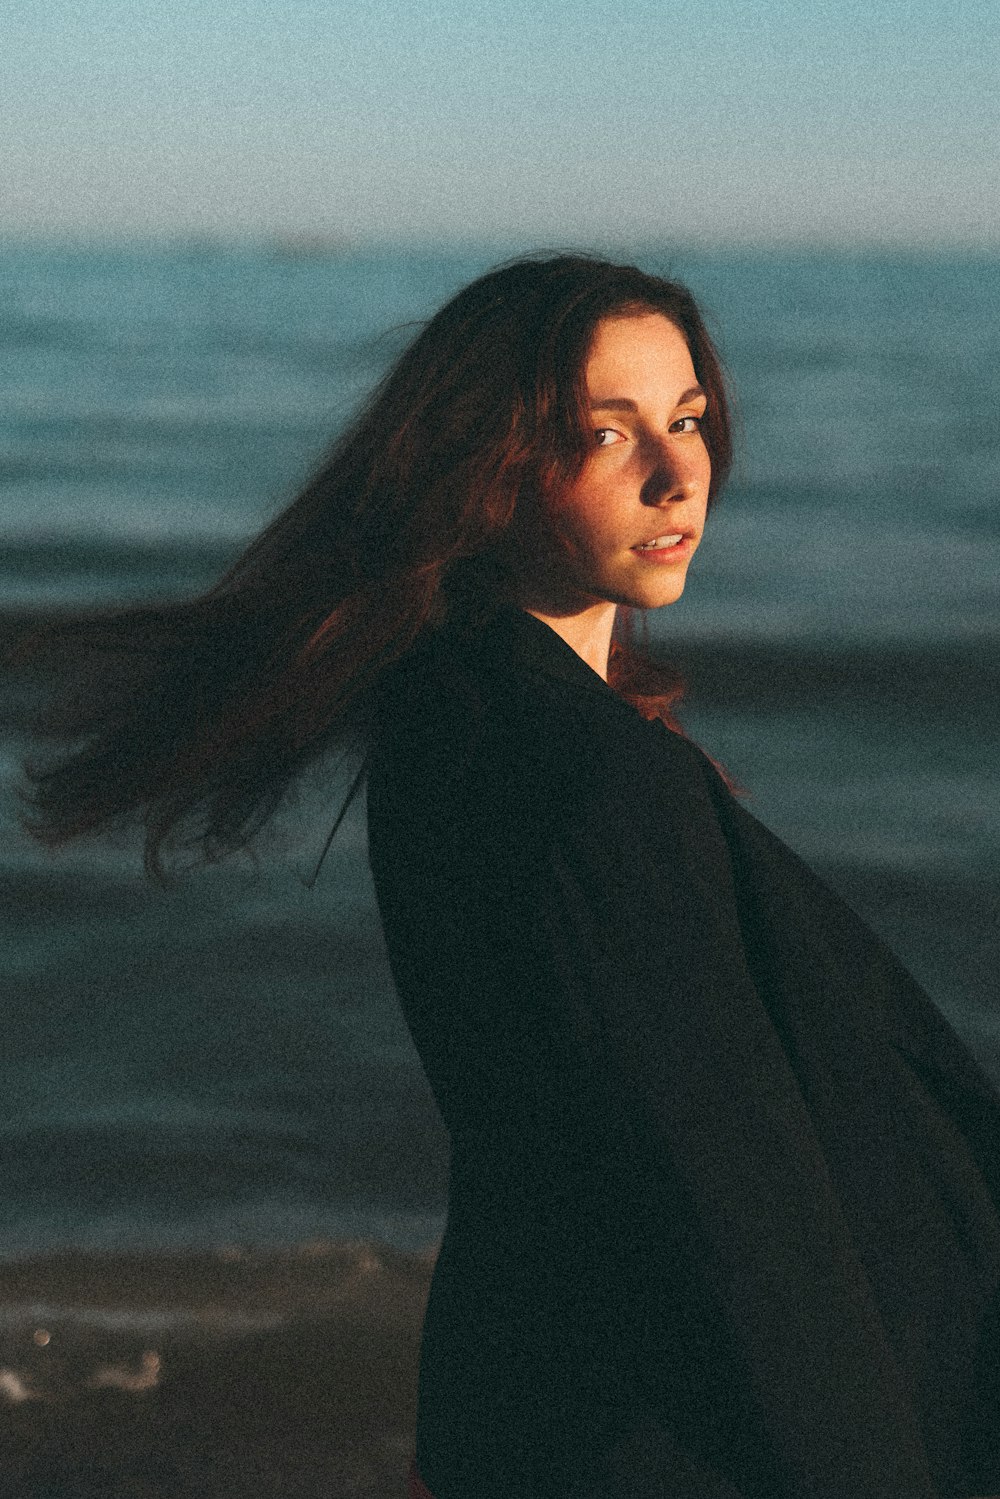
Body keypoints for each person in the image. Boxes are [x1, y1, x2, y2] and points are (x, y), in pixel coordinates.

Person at [17, 255, 1000, 1498]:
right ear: (491, 472)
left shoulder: (450, 713)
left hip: (526, 1401)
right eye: (606, 432)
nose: (676, 471)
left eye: (687, 419)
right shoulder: (584, 780)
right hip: (667, 1439)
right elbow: (743, 1223)